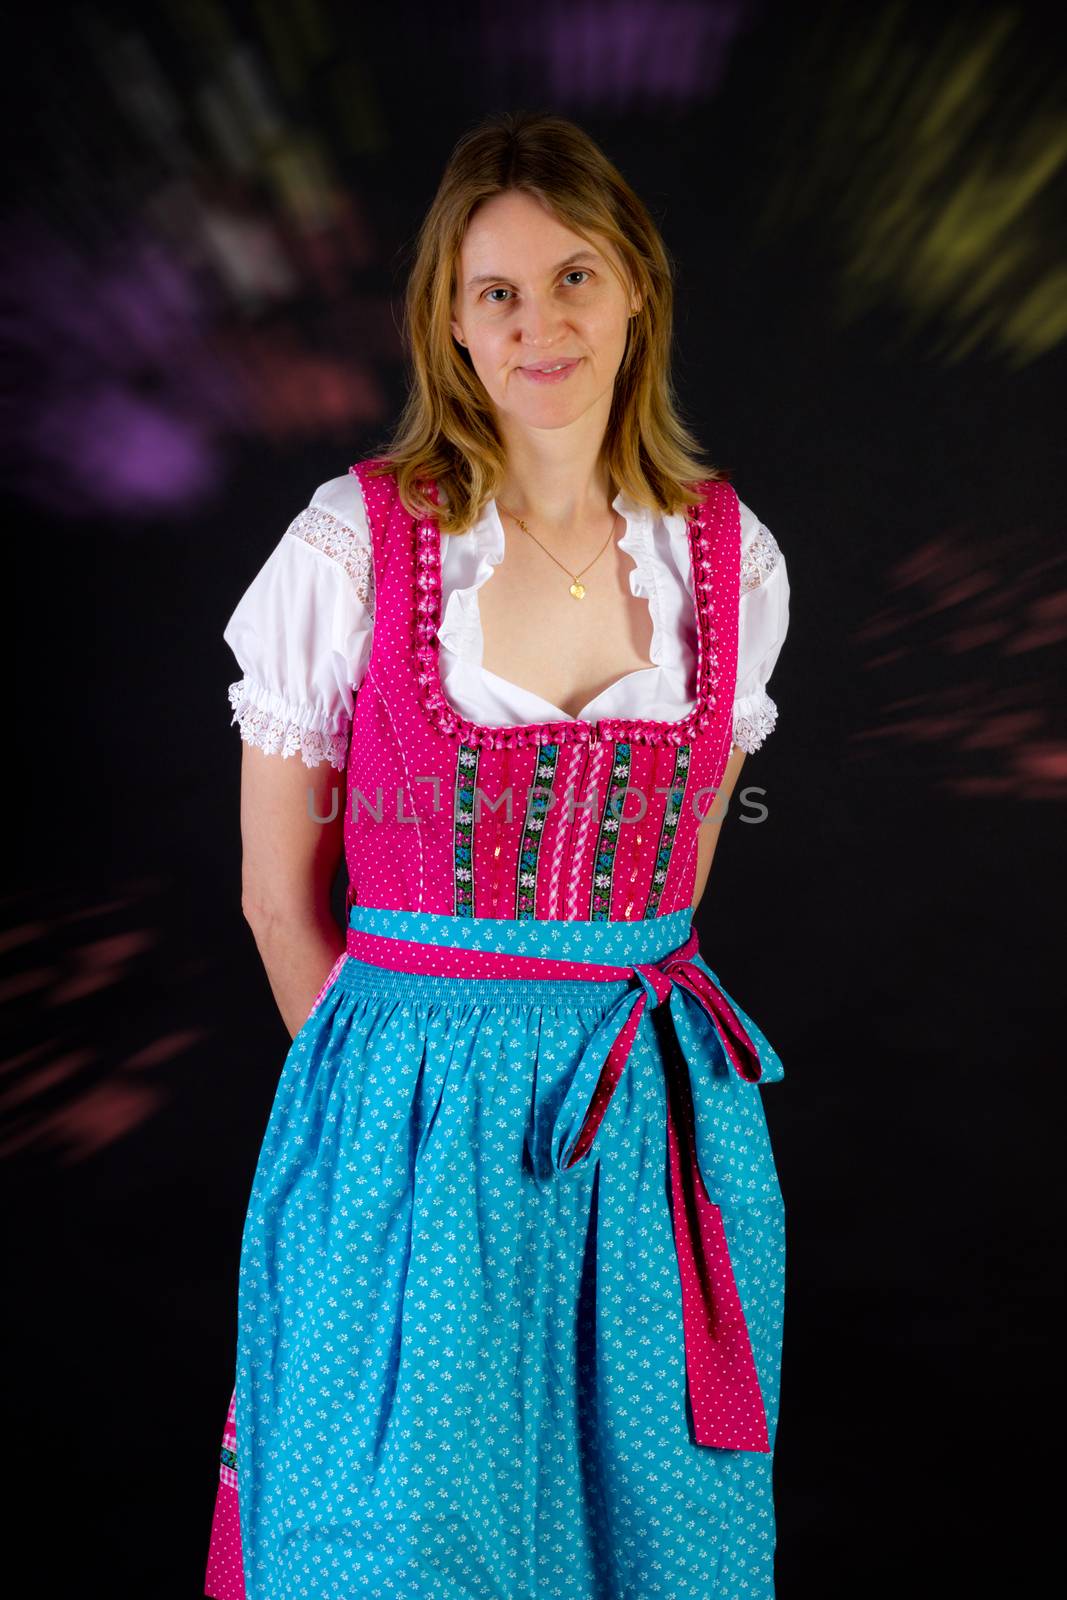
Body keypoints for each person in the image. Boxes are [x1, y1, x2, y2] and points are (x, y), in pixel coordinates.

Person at [204, 110, 791, 1600]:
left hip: (652, 1127)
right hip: (409, 1116)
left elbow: (681, 879)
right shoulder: (358, 544)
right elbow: (281, 897)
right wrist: (384, 1131)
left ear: (637, 290)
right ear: (453, 329)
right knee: (401, 1546)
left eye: (575, 276)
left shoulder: (729, 559)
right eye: (499, 293)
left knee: (654, 1538)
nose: (543, 322)